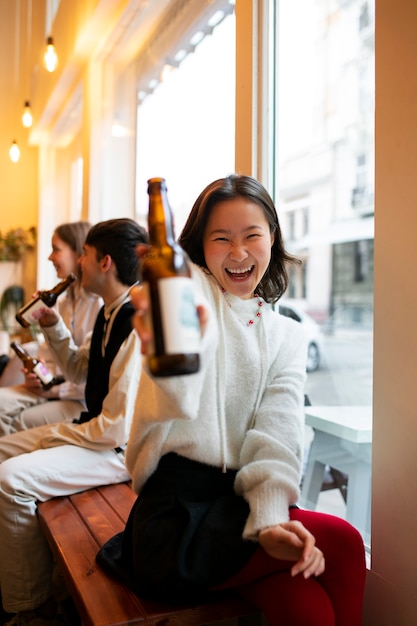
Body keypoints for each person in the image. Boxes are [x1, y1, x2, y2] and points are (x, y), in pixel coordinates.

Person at [97, 175, 366, 626]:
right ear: (200, 249)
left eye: (252, 236)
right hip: (178, 516)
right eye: (221, 239)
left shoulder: (288, 335)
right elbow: (180, 380)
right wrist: (177, 341)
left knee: (306, 608)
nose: (239, 254)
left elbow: (277, 434)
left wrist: (268, 521)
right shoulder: (193, 293)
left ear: (273, 238)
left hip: (241, 506)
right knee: (345, 541)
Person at [0, 218, 148, 625]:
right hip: (93, 433)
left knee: (10, 480)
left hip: (118, 451)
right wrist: (51, 323)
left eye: (82, 254)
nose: (76, 261)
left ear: (103, 262)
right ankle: (34, 579)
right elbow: (80, 370)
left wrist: (56, 434)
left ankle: (32, 606)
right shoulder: (108, 311)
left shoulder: (136, 321)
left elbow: (117, 429)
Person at [0, 221, 103, 435]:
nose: (49, 257)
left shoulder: (99, 306)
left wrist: (56, 390)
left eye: (56, 250)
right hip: (52, 391)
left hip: (79, 400)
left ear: (79, 253)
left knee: (21, 420)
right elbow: (48, 358)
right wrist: (37, 377)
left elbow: (90, 375)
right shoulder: (62, 303)